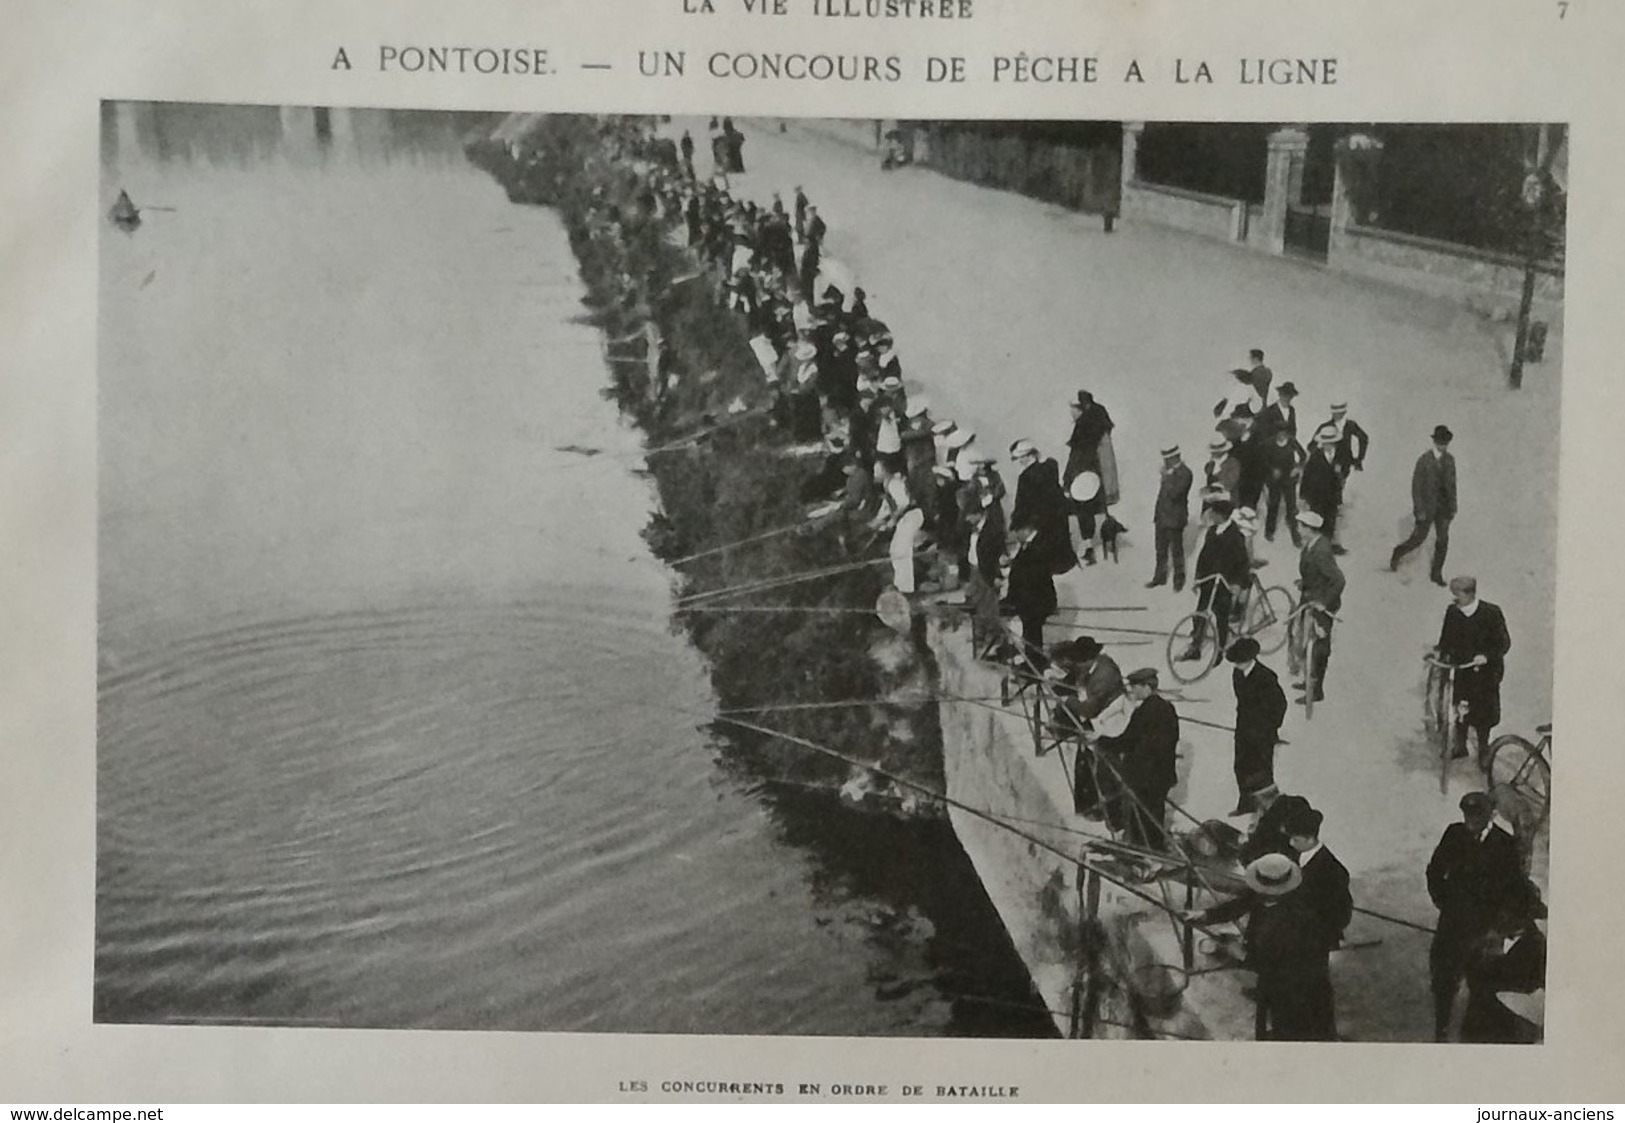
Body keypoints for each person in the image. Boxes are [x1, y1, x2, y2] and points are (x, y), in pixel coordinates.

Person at [1188, 853, 1336, 1040]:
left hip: (1298, 984)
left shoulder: (1292, 920)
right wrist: (1204, 915)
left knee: (1297, 1027)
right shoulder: (1271, 893)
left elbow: (1273, 966)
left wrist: (1240, 954)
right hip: (1284, 975)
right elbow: (1240, 904)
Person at [1426, 791, 1524, 1041]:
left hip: (1483, 929)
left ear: (1490, 814)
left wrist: (1498, 928)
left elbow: (1514, 891)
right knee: (1443, 980)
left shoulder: (1505, 845)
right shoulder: (1454, 834)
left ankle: (1474, 1038)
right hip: (1452, 923)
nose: (1470, 820)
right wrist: (1443, 900)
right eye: (1467, 814)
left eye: (1476, 815)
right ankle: (1442, 1030)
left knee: (1481, 986)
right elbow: (1434, 870)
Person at [1094, 667, 1180, 849]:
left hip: (1145, 776)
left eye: (1135, 686)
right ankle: (1154, 848)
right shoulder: (1168, 708)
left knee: (1141, 815)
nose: (1132, 690)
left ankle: (1142, 852)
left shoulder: (1144, 712)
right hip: (1162, 774)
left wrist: (1101, 742)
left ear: (1147, 687)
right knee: (1155, 814)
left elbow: (1127, 740)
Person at [1460, 879, 1547, 1044]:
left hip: (1510, 1037)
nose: (1494, 914)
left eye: (1502, 910)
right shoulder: (1487, 939)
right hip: (1475, 1031)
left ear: (1522, 915)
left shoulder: (1538, 949)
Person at [1435, 575, 1512, 762]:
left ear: (1469, 594)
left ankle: (1484, 749)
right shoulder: (1453, 612)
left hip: (1485, 673)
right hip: (1462, 669)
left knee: (1484, 712)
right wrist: (1441, 654)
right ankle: (1460, 746)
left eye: (1457, 595)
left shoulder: (1491, 613)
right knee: (1461, 707)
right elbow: (1446, 639)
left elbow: (1504, 643)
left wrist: (1486, 656)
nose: (1454, 599)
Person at [1180, 499, 1250, 660]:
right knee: (1199, 615)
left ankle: (1220, 649)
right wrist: (1198, 578)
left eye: (1214, 513)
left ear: (1222, 515)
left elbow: (1242, 562)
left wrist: (1238, 584)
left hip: (1225, 583)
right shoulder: (1212, 531)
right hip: (1209, 580)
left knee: (1221, 618)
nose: (1210, 515)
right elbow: (1203, 556)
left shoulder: (1235, 535)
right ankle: (1195, 648)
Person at [1389, 424, 1458, 586]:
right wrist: (1419, 509)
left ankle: (1437, 573)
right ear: (1435, 442)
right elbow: (1416, 487)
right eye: (1441, 442)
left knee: (1443, 541)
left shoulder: (1450, 460)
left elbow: (1453, 485)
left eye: (1446, 443)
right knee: (1418, 538)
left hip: (1444, 509)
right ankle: (1397, 553)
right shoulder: (1424, 461)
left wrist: (1453, 506)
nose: (1443, 446)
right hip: (1426, 509)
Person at [1227, 637, 1287, 814]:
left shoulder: (1266, 677)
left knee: (1262, 770)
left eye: (1238, 662)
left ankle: (1268, 809)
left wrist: (1271, 728)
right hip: (1243, 729)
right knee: (1241, 766)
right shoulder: (1237, 673)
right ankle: (1246, 804)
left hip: (1262, 733)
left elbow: (1280, 704)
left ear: (1248, 660)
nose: (1236, 665)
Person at [1283, 804, 1352, 953]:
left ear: (1309, 839)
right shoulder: (1297, 854)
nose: (1290, 843)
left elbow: (1338, 912)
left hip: (1318, 929)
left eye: (1295, 839)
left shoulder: (1334, 871)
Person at [1294, 510, 1344, 705]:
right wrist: (1305, 582)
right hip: (1309, 599)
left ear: (1310, 529)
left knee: (1320, 647)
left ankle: (1317, 689)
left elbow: (1338, 580)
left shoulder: (1321, 550)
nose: (1298, 529)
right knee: (1307, 642)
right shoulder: (1311, 545)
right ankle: (1309, 680)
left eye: (1300, 526)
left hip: (1321, 605)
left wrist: (1324, 603)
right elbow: (1315, 573)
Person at [1062, 390, 1116, 565]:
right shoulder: (1098, 426)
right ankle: (1095, 543)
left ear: (1080, 409)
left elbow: (1075, 458)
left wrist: (1067, 480)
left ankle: (1087, 547)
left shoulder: (1082, 430)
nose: (1071, 414)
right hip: (1097, 478)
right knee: (1089, 510)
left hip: (1083, 477)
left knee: (1082, 510)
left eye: (1073, 410)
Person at [1009, 439, 1077, 576]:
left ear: (1030, 455)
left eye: (1021, 458)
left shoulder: (1025, 477)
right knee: (1060, 536)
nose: (1020, 461)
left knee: (1046, 541)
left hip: (1039, 514)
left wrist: (1016, 520)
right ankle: (1065, 562)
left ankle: (1050, 566)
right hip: (1057, 508)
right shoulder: (1051, 465)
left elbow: (1022, 501)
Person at [1001, 524, 1057, 664]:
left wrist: (1016, 599)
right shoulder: (1028, 545)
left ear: (1026, 529)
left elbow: (1032, 574)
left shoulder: (1038, 545)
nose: (1015, 535)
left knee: (1033, 634)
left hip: (1035, 600)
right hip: (1029, 599)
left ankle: (1035, 664)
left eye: (1017, 531)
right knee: (1030, 633)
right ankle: (1032, 662)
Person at [1147, 445, 1192, 591]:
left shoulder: (1185, 473)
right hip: (1161, 518)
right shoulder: (1170, 473)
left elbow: (1175, 494)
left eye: (1167, 459)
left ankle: (1179, 579)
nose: (1165, 462)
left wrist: (1167, 478)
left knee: (1176, 550)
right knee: (1160, 550)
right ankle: (1159, 577)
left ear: (1174, 458)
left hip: (1175, 519)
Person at [1298, 424, 1345, 554]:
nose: (1328, 446)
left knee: (1331, 522)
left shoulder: (1338, 456)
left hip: (1332, 496)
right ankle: (1316, 547)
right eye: (1326, 443)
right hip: (1316, 495)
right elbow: (1306, 476)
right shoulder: (1315, 456)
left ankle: (1327, 546)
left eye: (1331, 443)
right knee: (1318, 522)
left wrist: (1339, 498)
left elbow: (1339, 480)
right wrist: (1303, 495)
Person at [1260, 424, 1306, 544]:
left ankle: (1294, 533)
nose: (1282, 435)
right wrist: (1271, 470)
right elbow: (1263, 461)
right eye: (1279, 433)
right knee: (1273, 504)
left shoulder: (1292, 441)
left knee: (1291, 505)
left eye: (1284, 433)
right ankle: (1269, 530)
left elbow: (1303, 455)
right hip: (1275, 479)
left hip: (1288, 478)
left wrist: (1297, 468)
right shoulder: (1269, 444)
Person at [1319, 401, 1370, 480]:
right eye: (1335, 413)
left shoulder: (1350, 425)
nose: (1336, 415)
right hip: (1329, 463)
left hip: (1345, 462)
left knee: (1338, 484)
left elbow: (1363, 438)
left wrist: (1359, 458)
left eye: (1339, 413)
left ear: (1344, 412)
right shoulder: (1326, 427)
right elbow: (1312, 445)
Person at [1202, 437, 1242, 515]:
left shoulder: (1232, 462)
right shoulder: (1212, 463)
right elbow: (1208, 472)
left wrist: (1217, 485)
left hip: (1227, 499)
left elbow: (1231, 481)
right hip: (1212, 499)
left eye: (1214, 452)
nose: (1212, 454)